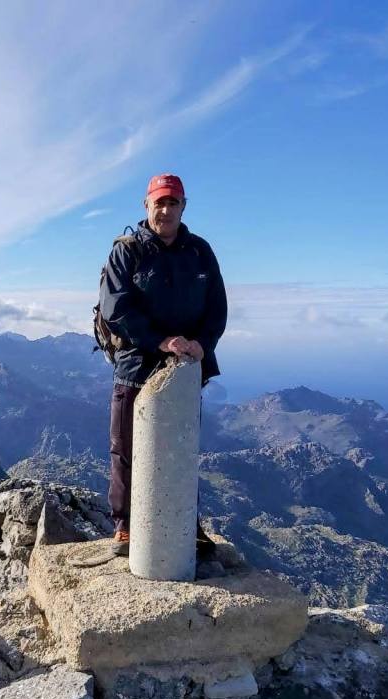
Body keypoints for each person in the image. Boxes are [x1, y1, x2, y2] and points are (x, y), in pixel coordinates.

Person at [98, 173, 228, 556]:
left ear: (183, 206)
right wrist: (161, 341)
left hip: (185, 370)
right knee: (126, 448)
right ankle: (125, 527)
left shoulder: (200, 252)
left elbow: (217, 307)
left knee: (180, 448)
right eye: (160, 203)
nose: (166, 209)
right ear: (147, 206)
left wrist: (202, 345)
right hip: (135, 367)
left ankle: (183, 524)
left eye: (173, 202)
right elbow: (115, 307)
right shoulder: (127, 251)